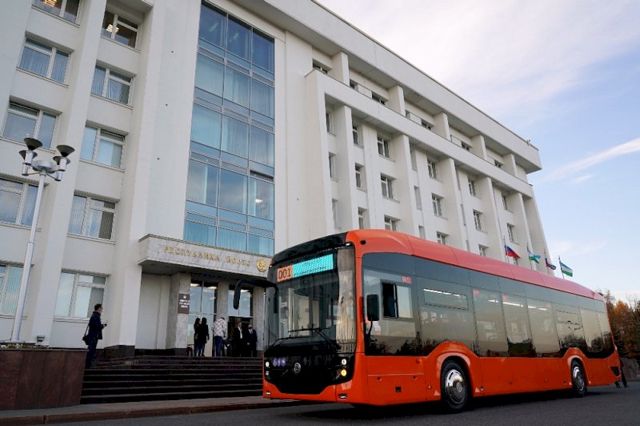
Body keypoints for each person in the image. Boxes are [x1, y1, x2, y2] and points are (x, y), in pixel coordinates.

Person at [84, 304, 107, 368]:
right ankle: (88, 365)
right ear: (99, 308)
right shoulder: (96, 316)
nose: (102, 310)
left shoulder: (94, 315)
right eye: (101, 308)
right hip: (93, 336)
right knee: (91, 350)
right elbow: (97, 327)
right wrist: (103, 325)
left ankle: (88, 365)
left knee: (91, 350)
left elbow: (94, 325)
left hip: (93, 335)